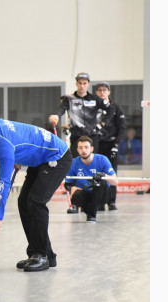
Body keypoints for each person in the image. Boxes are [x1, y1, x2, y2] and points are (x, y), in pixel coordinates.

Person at [0, 110, 72, 272]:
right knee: (23, 202)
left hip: (56, 157)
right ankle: (39, 253)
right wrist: (17, 157)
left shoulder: (1, 141)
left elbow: (4, 182)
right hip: (38, 159)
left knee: (35, 201)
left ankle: (42, 255)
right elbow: (17, 143)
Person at [49, 72, 109, 213]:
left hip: (92, 137)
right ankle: (75, 202)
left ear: (88, 84)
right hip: (77, 138)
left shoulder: (95, 99)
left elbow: (111, 109)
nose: (82, 86)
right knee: (75, 166)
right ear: (76, 83)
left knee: (95, 166)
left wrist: (101, 125)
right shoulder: (69, 99)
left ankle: (97, 201)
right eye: (79, 83)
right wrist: (56, 116)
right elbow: (61, 110)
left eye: (84, 83)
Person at [64, 136, 118, 223]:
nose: (83, 150)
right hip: (86, 195)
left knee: (99, 183)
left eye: (86, 147)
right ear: (77, 150)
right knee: (76, 195)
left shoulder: (102, 159)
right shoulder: (73, 163)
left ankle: (91, 216)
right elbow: (67, 184)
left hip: (102, 194)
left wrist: (104, 175)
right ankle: (91, 210)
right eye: (81, 148)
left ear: (92, 148)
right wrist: (71, 188)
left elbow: (115, 182)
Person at [93, 82, 125, 211]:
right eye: (99, 90)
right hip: (96, 144)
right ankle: (99, 201)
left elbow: (122, 128)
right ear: (96, 92)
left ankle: (111, 201)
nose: (102, 92)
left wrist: (116, 145)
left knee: (111, 172)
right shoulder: (93, 107)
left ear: (109, 92)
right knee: (97, 173)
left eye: (104, 90)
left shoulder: (115, 107)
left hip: (111, 144)